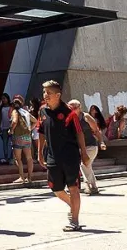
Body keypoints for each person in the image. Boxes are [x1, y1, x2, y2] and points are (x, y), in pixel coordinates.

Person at [37, 81, 89, 232]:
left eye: (48, 93)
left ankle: (75, 221)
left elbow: (79, 133)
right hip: (52, 156)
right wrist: (40, 153)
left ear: (58, 95)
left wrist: (84, 153)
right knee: (57, 190)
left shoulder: (69, 112)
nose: (45, 96)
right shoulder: (42, 111)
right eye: (44, 92)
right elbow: (41, 133)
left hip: (70, 156)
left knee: (73, 188)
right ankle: (72, 207)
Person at [68, 100, 108, 195]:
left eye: (73, 107)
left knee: (84, 164)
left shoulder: (86, 117)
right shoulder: (70, 118)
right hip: (80, 147)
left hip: (91, 146)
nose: (71, 109)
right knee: (87, 165)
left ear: (79, 107)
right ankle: (94, 187)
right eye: (69, 107)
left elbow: (97, 131)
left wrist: (101, 142)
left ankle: (88, 185)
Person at [9, 95, 37, 183]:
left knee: (18, 158)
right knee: (29, 158)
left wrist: (11, 130)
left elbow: (14, 121)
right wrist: (30, 128)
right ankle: (30, 178)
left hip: (18, 136)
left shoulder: (15, 111)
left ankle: (22, 177)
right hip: (27, 137)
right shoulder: (25, 112)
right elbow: (35, 121)